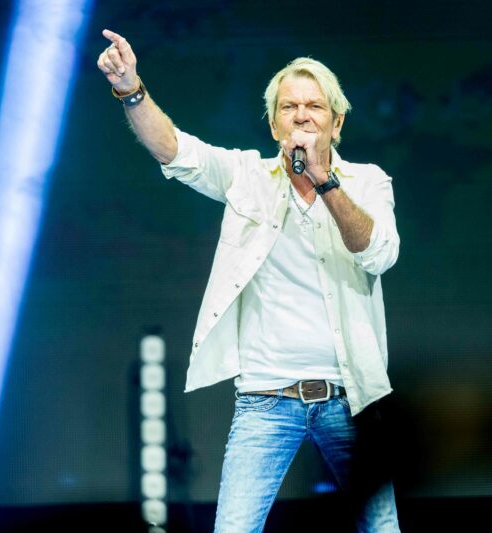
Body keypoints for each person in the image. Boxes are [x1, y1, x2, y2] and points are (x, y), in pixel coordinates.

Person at [97, 29, 401, 532]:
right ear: (274, 123)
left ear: (337, 122)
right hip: (266, 398)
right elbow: (175, 150)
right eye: (288, 107)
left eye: (314, 106)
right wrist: (131, 89)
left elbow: (379, 254)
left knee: (380, 527)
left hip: (350, 398)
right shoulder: (247, 177)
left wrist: (325, 181)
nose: (301, 115)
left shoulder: (368, 181)